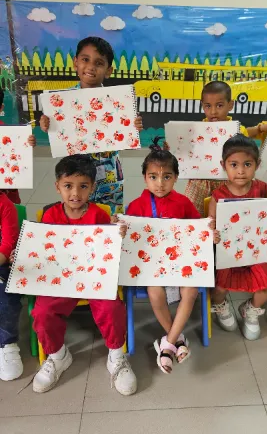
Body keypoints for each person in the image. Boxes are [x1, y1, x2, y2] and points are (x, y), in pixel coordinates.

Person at [31, 155, 137, 395]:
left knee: (111, 308)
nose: (75, 193)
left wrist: (117, 234)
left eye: (83, 186)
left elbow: (109, 251)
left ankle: (116, 356)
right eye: (68, 186)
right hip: (62, 280)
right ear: (57, 186)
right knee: (43, 311)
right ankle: (58, 356)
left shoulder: (99, 214)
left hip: (94, 278)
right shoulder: (50, 216)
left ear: (92, 187)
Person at [39, 36, 143, 214]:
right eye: (85, 59)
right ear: (75, 62)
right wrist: (47, 125)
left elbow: (126, 141)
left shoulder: (118, 101)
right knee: (79, 218)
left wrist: (133, 128)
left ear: (108, 70)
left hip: (109, 178)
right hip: (76, 179)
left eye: (99, 63)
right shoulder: (61, 102)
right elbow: (57, 135)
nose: (90, 67)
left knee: (110, 219)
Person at [125, 138, 203, 374]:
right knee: (154, 291)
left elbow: (197, 228)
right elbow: (130, 240)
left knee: (190, 290)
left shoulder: (183, 202)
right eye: (153, 177)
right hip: (151, 266)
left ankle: (167, 344)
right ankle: (177, 339)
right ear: (145, 178)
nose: (160, 183)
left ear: (176, 177)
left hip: (181, 262)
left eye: (167, 177)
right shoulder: (136, 206)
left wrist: (209, 229)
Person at [209, 134, 267, 340]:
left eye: (247, 164)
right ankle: (220, 305)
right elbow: (211, 225)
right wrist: (212, 233)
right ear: (224, 165)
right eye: (234, 165)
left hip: (258, 250)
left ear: (257, 165)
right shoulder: (218, 196)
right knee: (218, 288)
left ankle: (250, 308)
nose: (241, 171)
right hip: (228, 253)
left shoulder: (262, 189)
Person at [184, 81, 249, 216]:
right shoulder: (196, 129)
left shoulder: (239, 130)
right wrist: (173, 149)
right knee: (190, 213)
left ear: (230, 105)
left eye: (219, 105)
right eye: (208, 106)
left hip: (228, 180)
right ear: (202, 105)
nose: (213, 111)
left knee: (226, 216)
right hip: (200, 180)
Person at [0, 88, 37, 204]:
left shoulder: (10, 134)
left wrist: (27, 144)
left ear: (1, 108)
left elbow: (17, 159)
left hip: (6, 195)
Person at [0, 195, 22, 381]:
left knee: (6, 297)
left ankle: (7, 343)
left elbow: (7, 245)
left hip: (1, 263)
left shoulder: (4, 205)